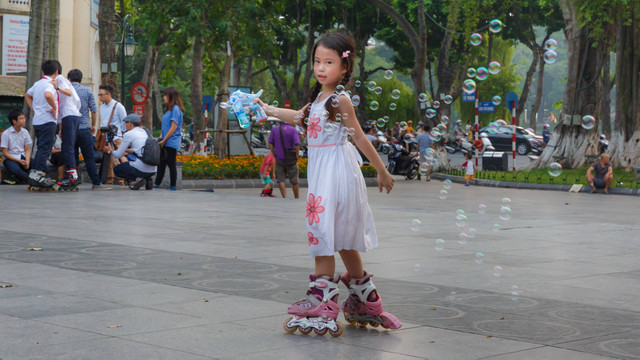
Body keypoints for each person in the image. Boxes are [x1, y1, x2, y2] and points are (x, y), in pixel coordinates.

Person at [257, 31, 401, 335]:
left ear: (345, 68)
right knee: (343, 237)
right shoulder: (318, 100)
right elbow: (297, 117)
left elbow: (359, 136)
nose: (321, 67)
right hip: (328, 172)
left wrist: (382, 170)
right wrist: (268, 110)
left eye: (329, 62)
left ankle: (322, 298)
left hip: (335, 174)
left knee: (322, 230)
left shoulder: (339, 101)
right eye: (317, 61)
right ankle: (366, 298)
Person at [68, 69, 111, 190]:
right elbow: (93, 109)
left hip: (70, 129)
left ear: (69, 79)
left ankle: (73, 181)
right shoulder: (87, 91)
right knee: (89, 157)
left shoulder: (66, 91)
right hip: (84, 128)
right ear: (81, 79)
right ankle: (96, 183)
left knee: (72, 156)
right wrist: (93, 125)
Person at [24, 60, 58, 188]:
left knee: (41, 148)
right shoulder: (49, 84)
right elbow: (48, 95)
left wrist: (34, 109)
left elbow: (27, 95)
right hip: (47, 121)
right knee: (45, 149)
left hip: (38, 121)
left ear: (43, 71)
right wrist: (54, 108)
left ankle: (35, 174)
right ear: (56, 72)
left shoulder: (37, 83)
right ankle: (37, 175)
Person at [51, 61, 82, 188]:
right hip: (70, 116)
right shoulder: (61, 80)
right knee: (68, 146)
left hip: (70, 116)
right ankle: (72, 175)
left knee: (67, 147)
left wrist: (57, 87)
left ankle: (72, 177)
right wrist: (61, 127)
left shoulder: (59, 79)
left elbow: (68, 93)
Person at [110, 114, 156, 190]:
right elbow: (140, 149)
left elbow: (118, 155)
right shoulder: (146, 132)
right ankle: (148, 179)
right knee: (134, 162)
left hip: (141, 169)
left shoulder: (129, 134)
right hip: (153, 169)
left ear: (130, 124)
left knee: (117, 170)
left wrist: (111, 150)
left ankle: (138, 179)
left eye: (126, 123)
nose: (125, 125)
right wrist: (126, 150)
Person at [154, 87, 184, 190]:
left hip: (171, 141)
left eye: (166, 96)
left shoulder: (176, 109)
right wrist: (160, 138)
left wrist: (164, 140)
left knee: (171, 164)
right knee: (161, 164)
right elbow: (166, 127)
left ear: (171, 96)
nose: (164, 98)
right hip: (165, 141)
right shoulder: (169, 109)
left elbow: (174, 127)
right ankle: (156, 184)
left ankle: (173, 186)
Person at [98, 84, 127, 185]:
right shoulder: (102, 107)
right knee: (107, 161)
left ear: (108, 94)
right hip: (105, 137)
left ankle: (121, 180)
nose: (100, 97)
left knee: (116, 160)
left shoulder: (118, 106)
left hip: (116, 137)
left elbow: (124, 122)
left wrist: (121, 135)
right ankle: (109, 180)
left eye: (101, 95)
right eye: (99, 95)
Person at [268, 120, 300, 199]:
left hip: (279, 158)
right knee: (294, 180)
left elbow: (270, 143)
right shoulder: (293, 130)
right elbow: (297, 144)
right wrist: (297, 154)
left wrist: (274, 152)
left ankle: (284, 197)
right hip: (291, 159)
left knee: (281, 179)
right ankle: (296, 197)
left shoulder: (275, 129)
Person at [1, 109, 32, 184]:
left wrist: (27, 161)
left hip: (23, 156)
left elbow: (27, 149)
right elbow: (5, 153)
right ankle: (31, 180)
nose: (24, 120)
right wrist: (19, 161)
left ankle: (23, 178)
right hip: (10, 158)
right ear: (14, 121)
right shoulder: (6, 134)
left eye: (24, 118)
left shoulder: (25, 132)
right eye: (21, 119)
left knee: (39, 165)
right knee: (16, 170)